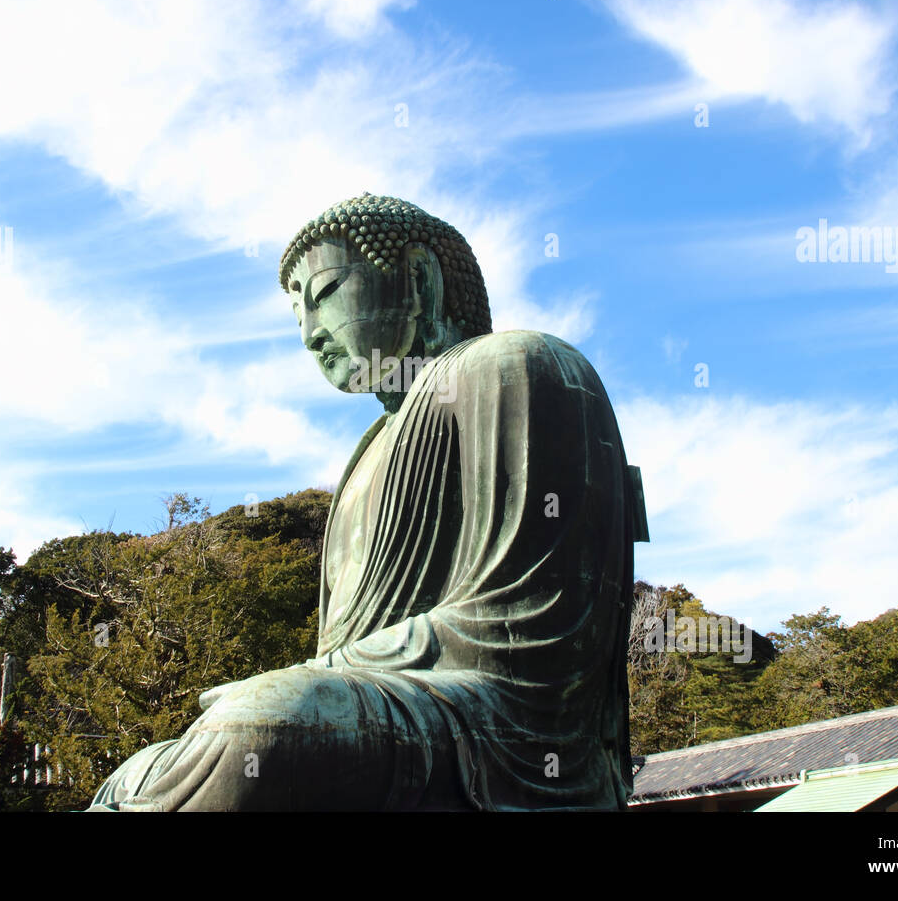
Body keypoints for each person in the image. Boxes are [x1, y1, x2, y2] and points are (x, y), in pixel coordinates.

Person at [89, 194, 642, 810]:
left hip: (493, 726)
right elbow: (334, 655)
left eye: (324, 295)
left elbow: (535, 632)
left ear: (418, 280)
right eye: (297, 313)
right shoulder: (366, 455)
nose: (308, 335)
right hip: (382, 702)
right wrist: (319, 678)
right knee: (134, 772)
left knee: (257, 729)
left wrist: (315, 683)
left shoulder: (517, 367)